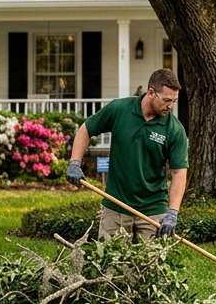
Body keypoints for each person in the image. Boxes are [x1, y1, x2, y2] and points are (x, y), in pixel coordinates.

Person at [66, 68, 189, 242]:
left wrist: (172, 213)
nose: (170, 106)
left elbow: (179, 173)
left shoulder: (174, 129)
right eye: (167, 100)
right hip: (115, 206)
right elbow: (86, 129)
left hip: (153, 210)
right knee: (109, 266)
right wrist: (75, 163)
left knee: (152, 268)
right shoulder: (119, 109)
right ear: (151, 93)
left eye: (174, 101)